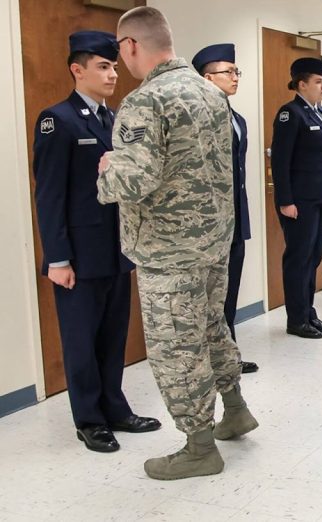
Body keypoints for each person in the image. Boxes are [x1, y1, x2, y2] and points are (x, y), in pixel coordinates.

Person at [97, 6, 257, 480]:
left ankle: (199, 446)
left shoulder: (145, 101)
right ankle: (235, 409)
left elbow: (134, 181)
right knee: (212, 330)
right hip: (213, 243)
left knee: (177, 348)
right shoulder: (210, 94)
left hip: (169, 253)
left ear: (130, 46)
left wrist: (108, 172)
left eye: (119, 52)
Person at [33, 30, 161, 454]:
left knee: (112, 337)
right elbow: (49, 195)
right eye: (102, 66)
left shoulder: (114, 120)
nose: (112, 74)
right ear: (77, 69)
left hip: (117, 251)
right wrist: (58, 258)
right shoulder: (58, 120)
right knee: (81, 340)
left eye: (113, 65)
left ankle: (115, 407)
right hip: (80, 257)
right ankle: (89, 419)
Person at [192, 43, 259, 374]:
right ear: (207, 77)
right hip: (208, 225)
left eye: (236, 71)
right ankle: (208, 358)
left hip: (235, 219)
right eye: (228, 71)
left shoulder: (237, 119)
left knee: (229, 292)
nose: (235, 77)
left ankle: (226, 355)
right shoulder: (196, 119)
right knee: (209, 297)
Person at [271, 57, 322, 339]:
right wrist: (286, 200)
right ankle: (296, 319)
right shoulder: (290, 114)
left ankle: (309, 312)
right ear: (302, 84)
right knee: (298, 258)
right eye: (318, 82)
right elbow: (281, 161)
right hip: (300, 201)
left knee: (313, 257)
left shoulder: (319, 113)